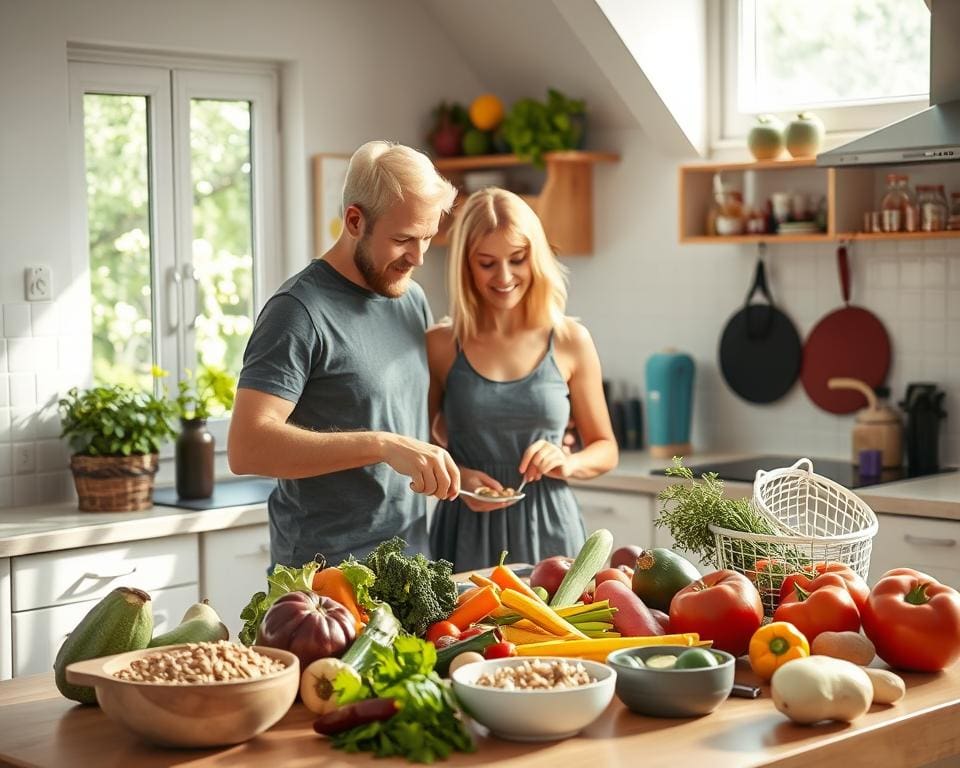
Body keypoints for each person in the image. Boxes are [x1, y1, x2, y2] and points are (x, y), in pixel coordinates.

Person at [228, 140, 461, 569]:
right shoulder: (297, 312)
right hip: (326, 578)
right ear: (355, 220)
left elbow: (404, 416)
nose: (418, 257)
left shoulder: (411, 300)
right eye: (404, 239)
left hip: (411, 565)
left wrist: (456, 473)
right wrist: (380, 445)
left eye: (427, 238)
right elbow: (247, 447)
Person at [427, 188, 618, 572]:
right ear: (465, 265)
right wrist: (457, 478)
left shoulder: (569, 340)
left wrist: (567, 462)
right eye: (486, 263)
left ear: (536, 257)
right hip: (466, 528)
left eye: (517, 259)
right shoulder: (441, 345)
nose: (504, 277)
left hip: (551, 526)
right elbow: (420, 440)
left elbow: (605, 447)